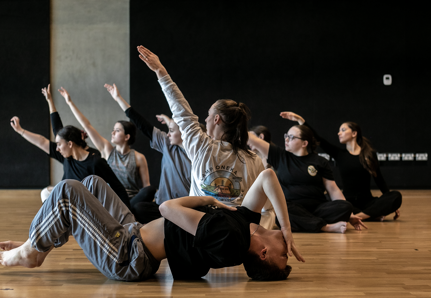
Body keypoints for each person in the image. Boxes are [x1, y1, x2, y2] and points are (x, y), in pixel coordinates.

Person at [0, 170, 304, 281]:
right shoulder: (245, 222)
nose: (288, 248)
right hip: (132, 231)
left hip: (127, 256)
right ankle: (37, 243)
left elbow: (168, 208)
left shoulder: (230, 239)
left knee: (67, 191)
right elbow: (267, 177)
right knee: (93, 184)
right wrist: (287, 230)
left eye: (284, 253)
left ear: (263, 254)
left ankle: (31, 252)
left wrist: (204, 199)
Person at [136, 46, 276, 228]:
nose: (206, 118)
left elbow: (181, 111)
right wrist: (256, 236)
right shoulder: (253, 159)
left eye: (209, 114)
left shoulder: (201, 145)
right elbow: (267, 209)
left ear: (216, 119)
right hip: (235, 232)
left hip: (200, 229)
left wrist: (160, 71)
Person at [280, 112, 402, 221]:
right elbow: (319, 140)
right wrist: (302, 121)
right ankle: (371, 215)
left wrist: (392, 203)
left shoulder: (369, 155)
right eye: (339, 130)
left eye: (343, 130)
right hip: (348, 201)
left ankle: (361, 216)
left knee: (396, 195)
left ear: (354, 133)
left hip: (368, 201)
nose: (339, 133)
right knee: (328, 201)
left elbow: (379, 180)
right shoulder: (339, 154)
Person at [248, 123, 366, 233]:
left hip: (318, 207)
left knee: (346, 206)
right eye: (286, 136)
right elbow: (253, 139)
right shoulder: (280, 156)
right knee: (282, 211)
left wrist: (349, 214)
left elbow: (333, 189)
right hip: (293, 207)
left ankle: (305, 223)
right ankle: (325, 227)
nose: (286, 139)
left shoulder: (320, 161)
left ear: (304, 143)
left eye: (291, 137)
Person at [104, 83, 193, 223]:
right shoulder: (167, 144)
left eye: (171, 131)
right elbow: (141, 123)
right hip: (162, 206)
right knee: (139, 208)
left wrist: (171, 122)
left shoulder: (196, 153)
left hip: (184, 209)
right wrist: (118, 98)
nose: (168, 134)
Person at [56, 87, 156, 209]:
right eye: (113, 130)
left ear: (127, 136)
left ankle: (131, 211)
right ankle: (129, 213)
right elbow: (87, 126)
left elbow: (146, 187)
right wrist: (69, 102)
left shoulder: (139, 157)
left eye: (117, 130)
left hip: (132, 201)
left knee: (149, 191)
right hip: (113, 198)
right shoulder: (108, 150)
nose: (112, 133)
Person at [9, 117, 129, 207]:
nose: (57, 149)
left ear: (70, 144)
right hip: (68, 206)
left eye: (59, 144)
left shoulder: (96, 162)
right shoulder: (67, 158)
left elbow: (118, 188)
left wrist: (128, 216)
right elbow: (42, 141)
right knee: (46, 192)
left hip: (87, 208)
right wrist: (20, 130)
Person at [39, 84, 101, 201]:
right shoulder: (68, 154)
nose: (58, 148)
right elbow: (57, 130)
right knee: (45, 193)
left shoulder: (94, 157)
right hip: (67, 194)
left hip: (83, 198)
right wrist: (50, 101)